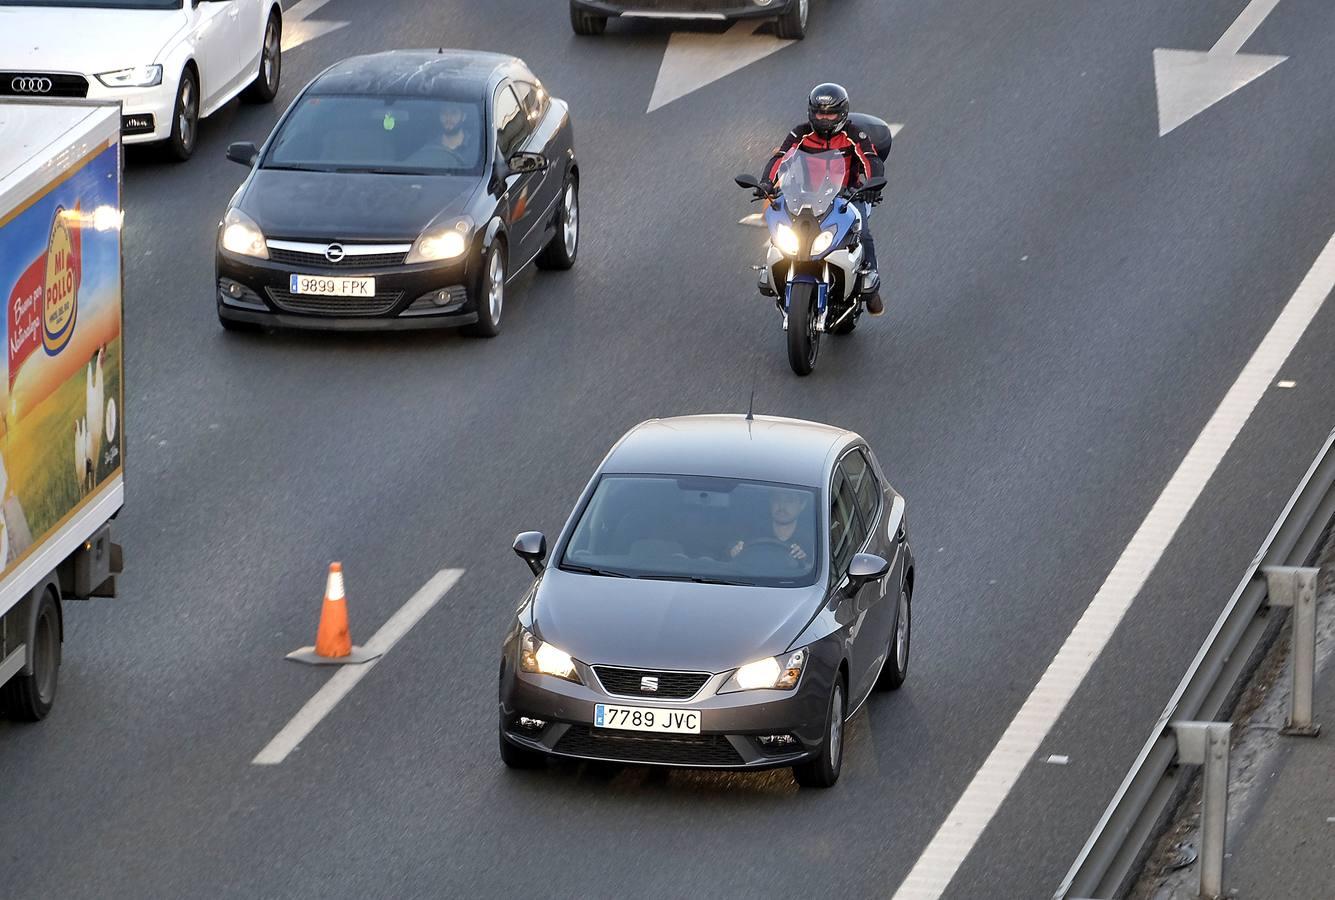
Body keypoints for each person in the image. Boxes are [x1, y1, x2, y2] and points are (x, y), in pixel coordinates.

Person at [762, 83, 887, 316]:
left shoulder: (854, 134)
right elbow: (781, 157)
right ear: (811, 112)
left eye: (830, 113)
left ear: (842, 113)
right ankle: (772, 272)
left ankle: (870, 280)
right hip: (804, 195)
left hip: (848, 195)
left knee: (863, 230)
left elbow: (871, 159)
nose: (825, 118)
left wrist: (873, 185)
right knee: (781, 227)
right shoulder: (800, 133)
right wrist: (766, 183)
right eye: (820, 113)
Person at [729, 487, 815, 563]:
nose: (782, 506)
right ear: (770, 503)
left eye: (789, 500)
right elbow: (724, 558)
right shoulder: (751, 533)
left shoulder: (814, 540)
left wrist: (804, 561)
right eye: (777, 499)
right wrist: (734, 553)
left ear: (802, 505)